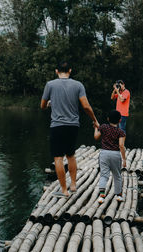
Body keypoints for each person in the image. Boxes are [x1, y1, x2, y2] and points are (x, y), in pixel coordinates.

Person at [41, 61, 99, 198]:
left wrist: (50, 103)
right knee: (71, 155)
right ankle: (73, 185)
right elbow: (86, 106)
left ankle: (64, 190)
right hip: (73, 126)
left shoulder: (50, 85)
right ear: (70, 70)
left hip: (57, 126)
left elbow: (42, 105)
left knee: (58, 158)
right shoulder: (78, 85)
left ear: (56, 71)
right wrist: (95, 120)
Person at [94, 110, 126, 204]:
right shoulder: (121, 132)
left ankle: (102, 195)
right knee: (117, 175)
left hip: (104, 153)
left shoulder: (103, 127)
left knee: (104, 175)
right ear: (120, 120)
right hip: (115, 154)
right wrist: (124, 159)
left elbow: (96, 137)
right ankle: (118, 196)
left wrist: (96, 128)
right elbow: (121, 145)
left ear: (108, 119)